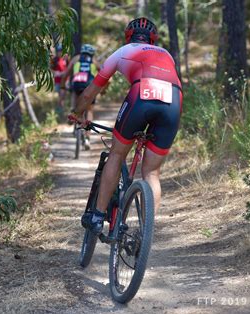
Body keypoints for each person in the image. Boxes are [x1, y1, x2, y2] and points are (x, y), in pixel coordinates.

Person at [70, 17, 183, 235]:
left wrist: (76, 114)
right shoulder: (166, 54)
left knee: (117, 154)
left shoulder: (123, 51)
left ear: (128, 36)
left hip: (141, 94)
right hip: (174, 101)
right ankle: (145, 230)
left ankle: (97, 215)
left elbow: (89, 93)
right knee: (151, 171)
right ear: (153, 39)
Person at [63, 44, 101, 150]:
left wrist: (62, 86)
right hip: (89, 86)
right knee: (89, 110)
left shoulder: (76, 59)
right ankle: (87, 138)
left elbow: (66, 73)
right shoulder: (94, 61)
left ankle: (73, 113)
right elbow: (104, 74)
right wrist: (103, 89)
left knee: (74, 95)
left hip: (77, 85)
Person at [50, 44, 69, 117]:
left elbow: (70, 67)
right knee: (61, 95)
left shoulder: (66, 59)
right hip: (58, 81)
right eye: (59, 51)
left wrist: (65, 73)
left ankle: (62, 111)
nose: (60, 52)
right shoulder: (54, 60)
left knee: (63, 96)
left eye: (61, 51)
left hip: (65, 81)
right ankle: (60, 111)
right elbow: (50, 69)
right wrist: (55, 72)